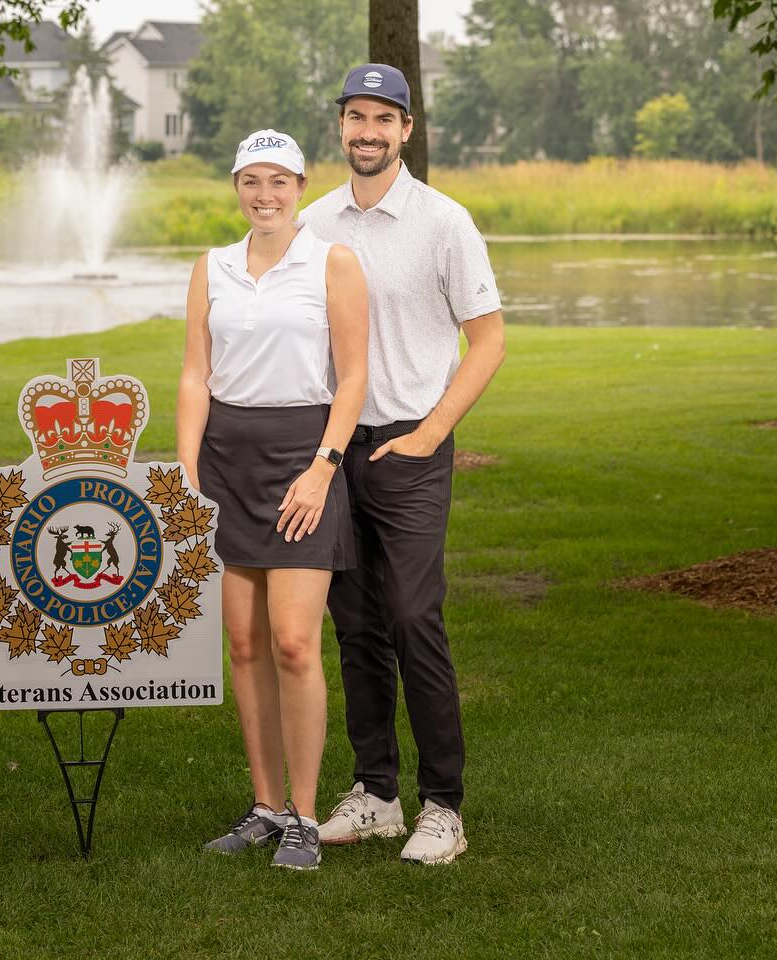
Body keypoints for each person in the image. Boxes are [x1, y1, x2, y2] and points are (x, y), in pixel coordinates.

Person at [300, 64, 507, 865]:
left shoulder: (444, 222)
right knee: (353, 626)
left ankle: (443, 806)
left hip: (412, 447)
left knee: (414, 616)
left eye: (385, 120)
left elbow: (487, 338)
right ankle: (377, 793)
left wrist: (432, 431)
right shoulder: (314, 225)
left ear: (407, 130)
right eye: (357, 117)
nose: (369, 132)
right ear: (341, 124)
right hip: (334, 450)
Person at [178, 129, 369, 870]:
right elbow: (197, 374)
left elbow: (352, 378)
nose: (265, 196)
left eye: (278, 182)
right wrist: (188, 473)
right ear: (236, 187)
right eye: (251, 182)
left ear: (300, 185)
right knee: (246, 644)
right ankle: (264, 806)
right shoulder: (212, 267)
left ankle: (305, 816)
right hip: (227, 459)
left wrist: (324, 466)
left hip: (301, 460)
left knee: (294, 642)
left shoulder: (332, 261)